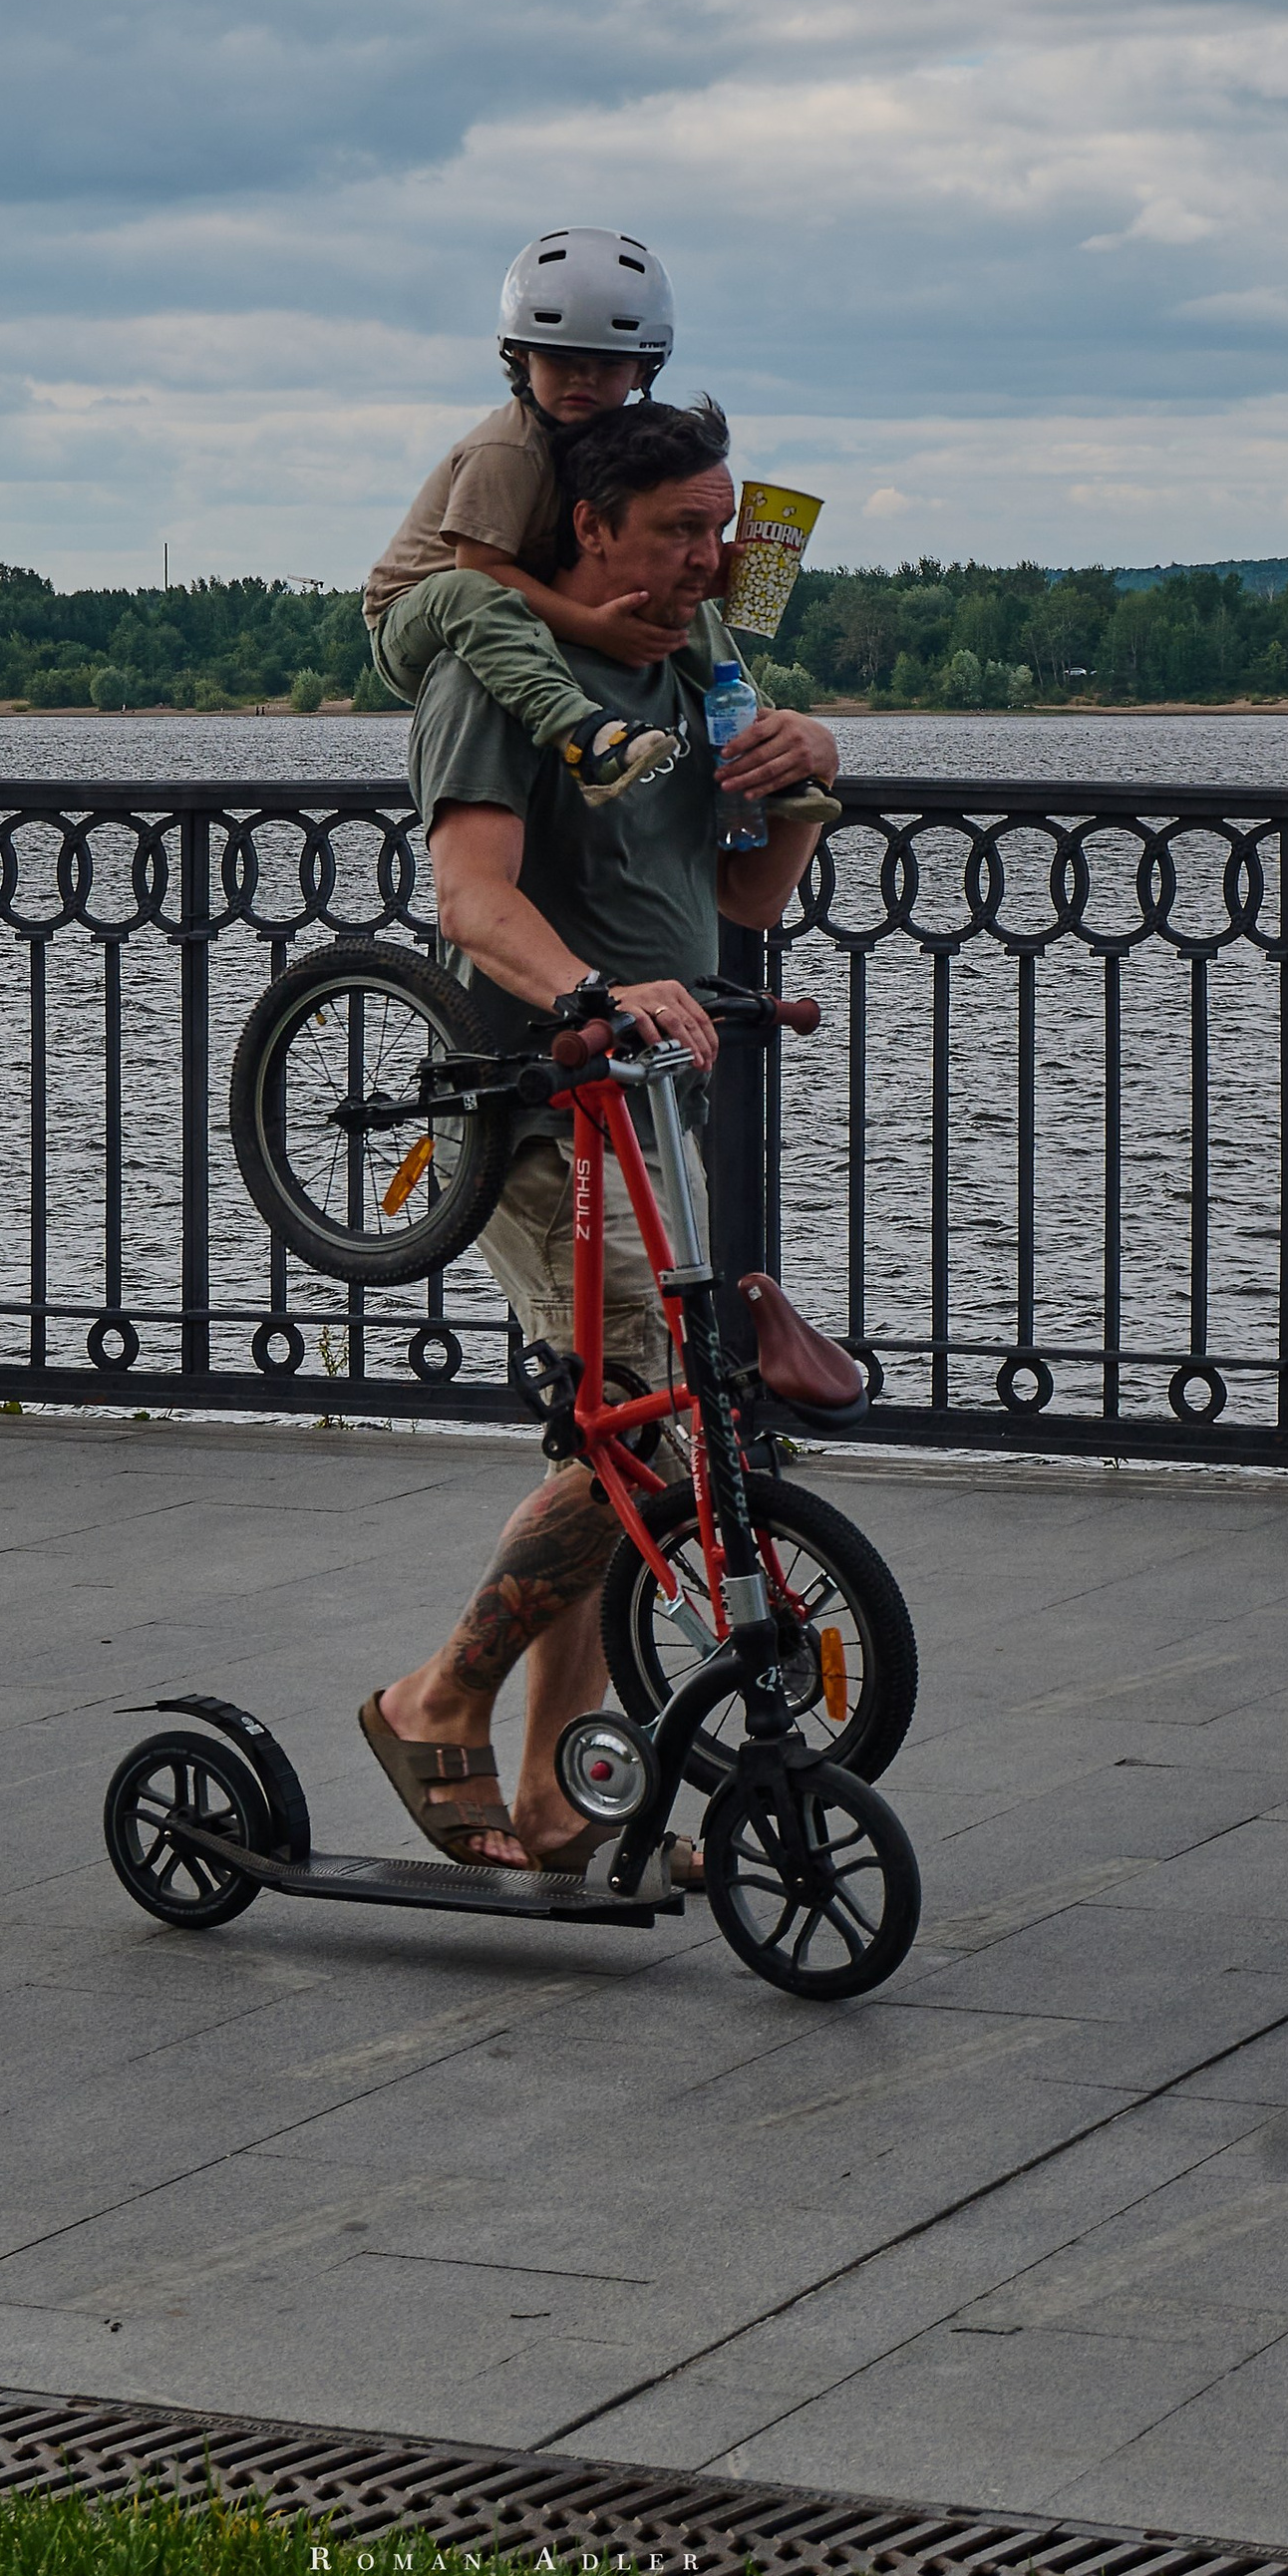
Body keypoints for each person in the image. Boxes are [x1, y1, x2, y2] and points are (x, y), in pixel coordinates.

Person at [357, 395, 844, 1872]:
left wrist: (812, 777)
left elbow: (742, 908)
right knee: (654, 1429)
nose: (712, 556)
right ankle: (436, 1700)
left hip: (649, 1102)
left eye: (722, 525)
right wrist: (598, 991)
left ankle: (566, 1792)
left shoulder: (697, 667)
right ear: (588, 528)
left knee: (630, 1437)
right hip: (536, 1099)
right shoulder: (495, 669)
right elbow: (472, 902)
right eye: (678, 530)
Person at [362, 226, 690, 805]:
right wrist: (593, 628)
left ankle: (755, 734)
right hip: (419, 619)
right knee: (462, 588)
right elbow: (481, 571)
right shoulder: (507, 449)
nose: (582, 379)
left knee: (665, 571)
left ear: (642, 371)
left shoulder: (606, 448)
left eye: (605, 364)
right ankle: (582, 738)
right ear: (520, 354)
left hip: (520, 604)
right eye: (561, 360)